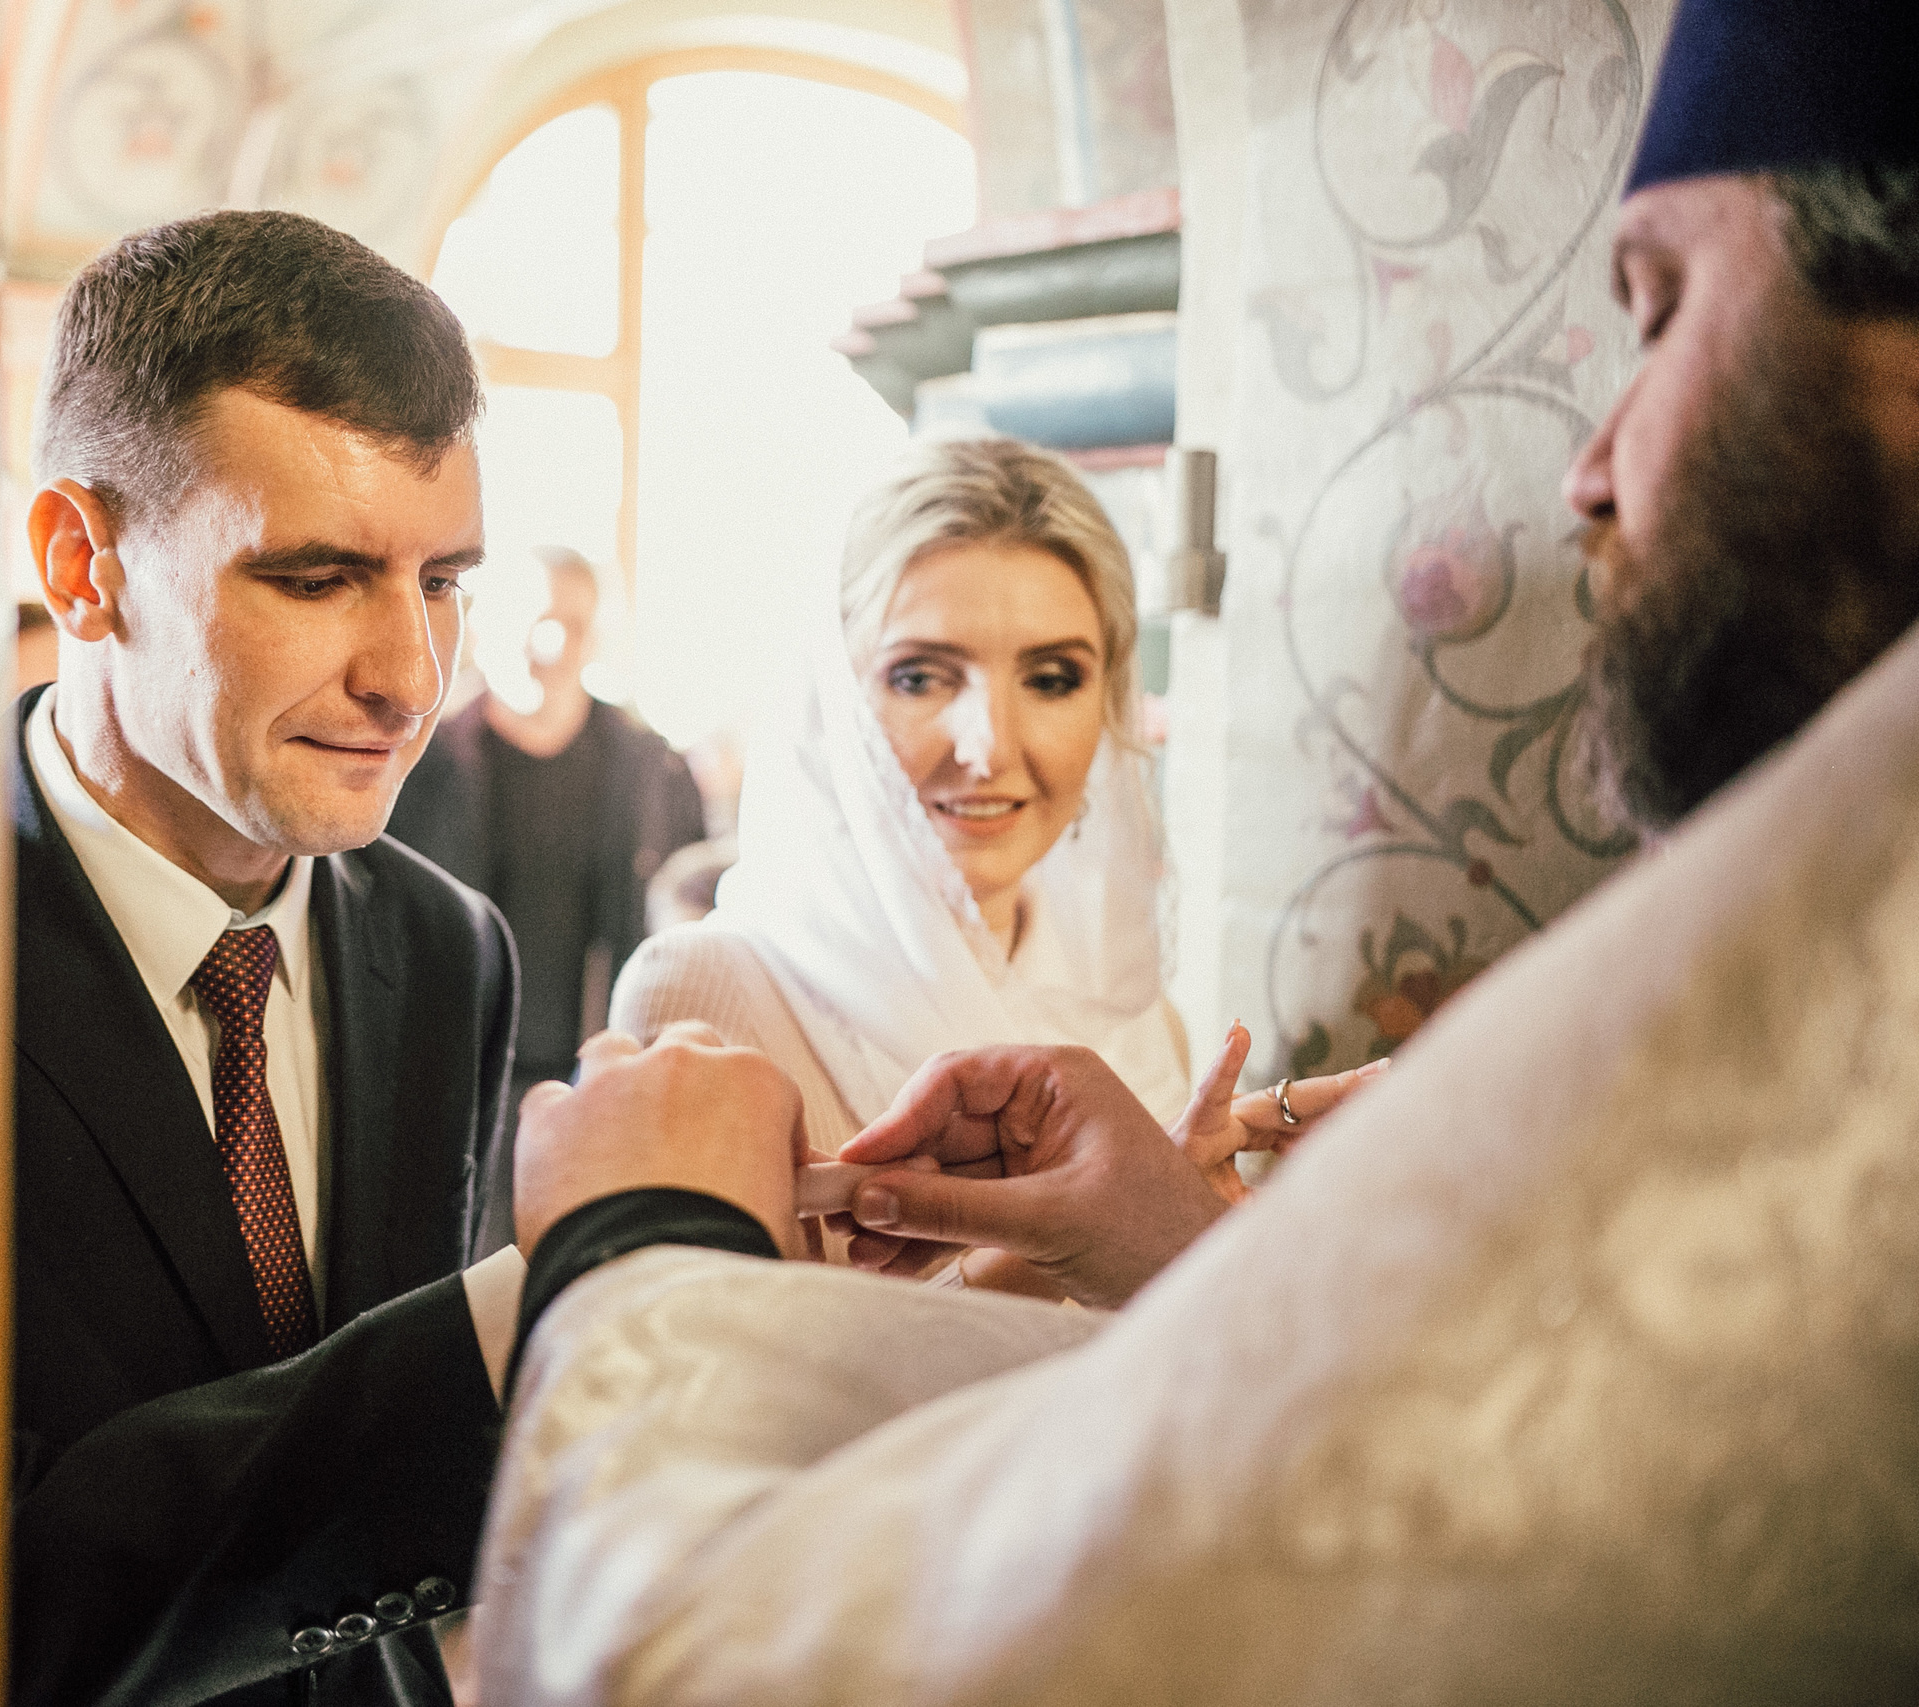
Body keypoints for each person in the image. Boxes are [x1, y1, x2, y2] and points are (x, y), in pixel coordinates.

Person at [474, 0, 1919, 1697]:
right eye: (921, 673)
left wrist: (644, 1245)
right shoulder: (715, 984)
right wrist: (1196, 1241)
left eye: (1664, 305)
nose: (1586, 470)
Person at [7, 211, 522, 1707]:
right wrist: (516, 1320)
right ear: (80, 562)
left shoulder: (448, 951)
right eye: (316, 578)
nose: (410, 679)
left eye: (440, 581)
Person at [607, 438, 1196, 1288]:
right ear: (834, 704)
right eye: (921, 677)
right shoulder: (705, 995)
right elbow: (687, 1392)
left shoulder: (1144, 1016)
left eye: (1053, 678)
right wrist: (1041, 1268)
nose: (988, 747)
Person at [387, 548, 704, 1125]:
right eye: (536, 621)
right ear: (481, 628)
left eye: (574, 626)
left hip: (605, 1084)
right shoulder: (414, 770)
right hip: (446, 1081)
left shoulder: (654, 772)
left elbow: (691, 930)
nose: (553, 646)